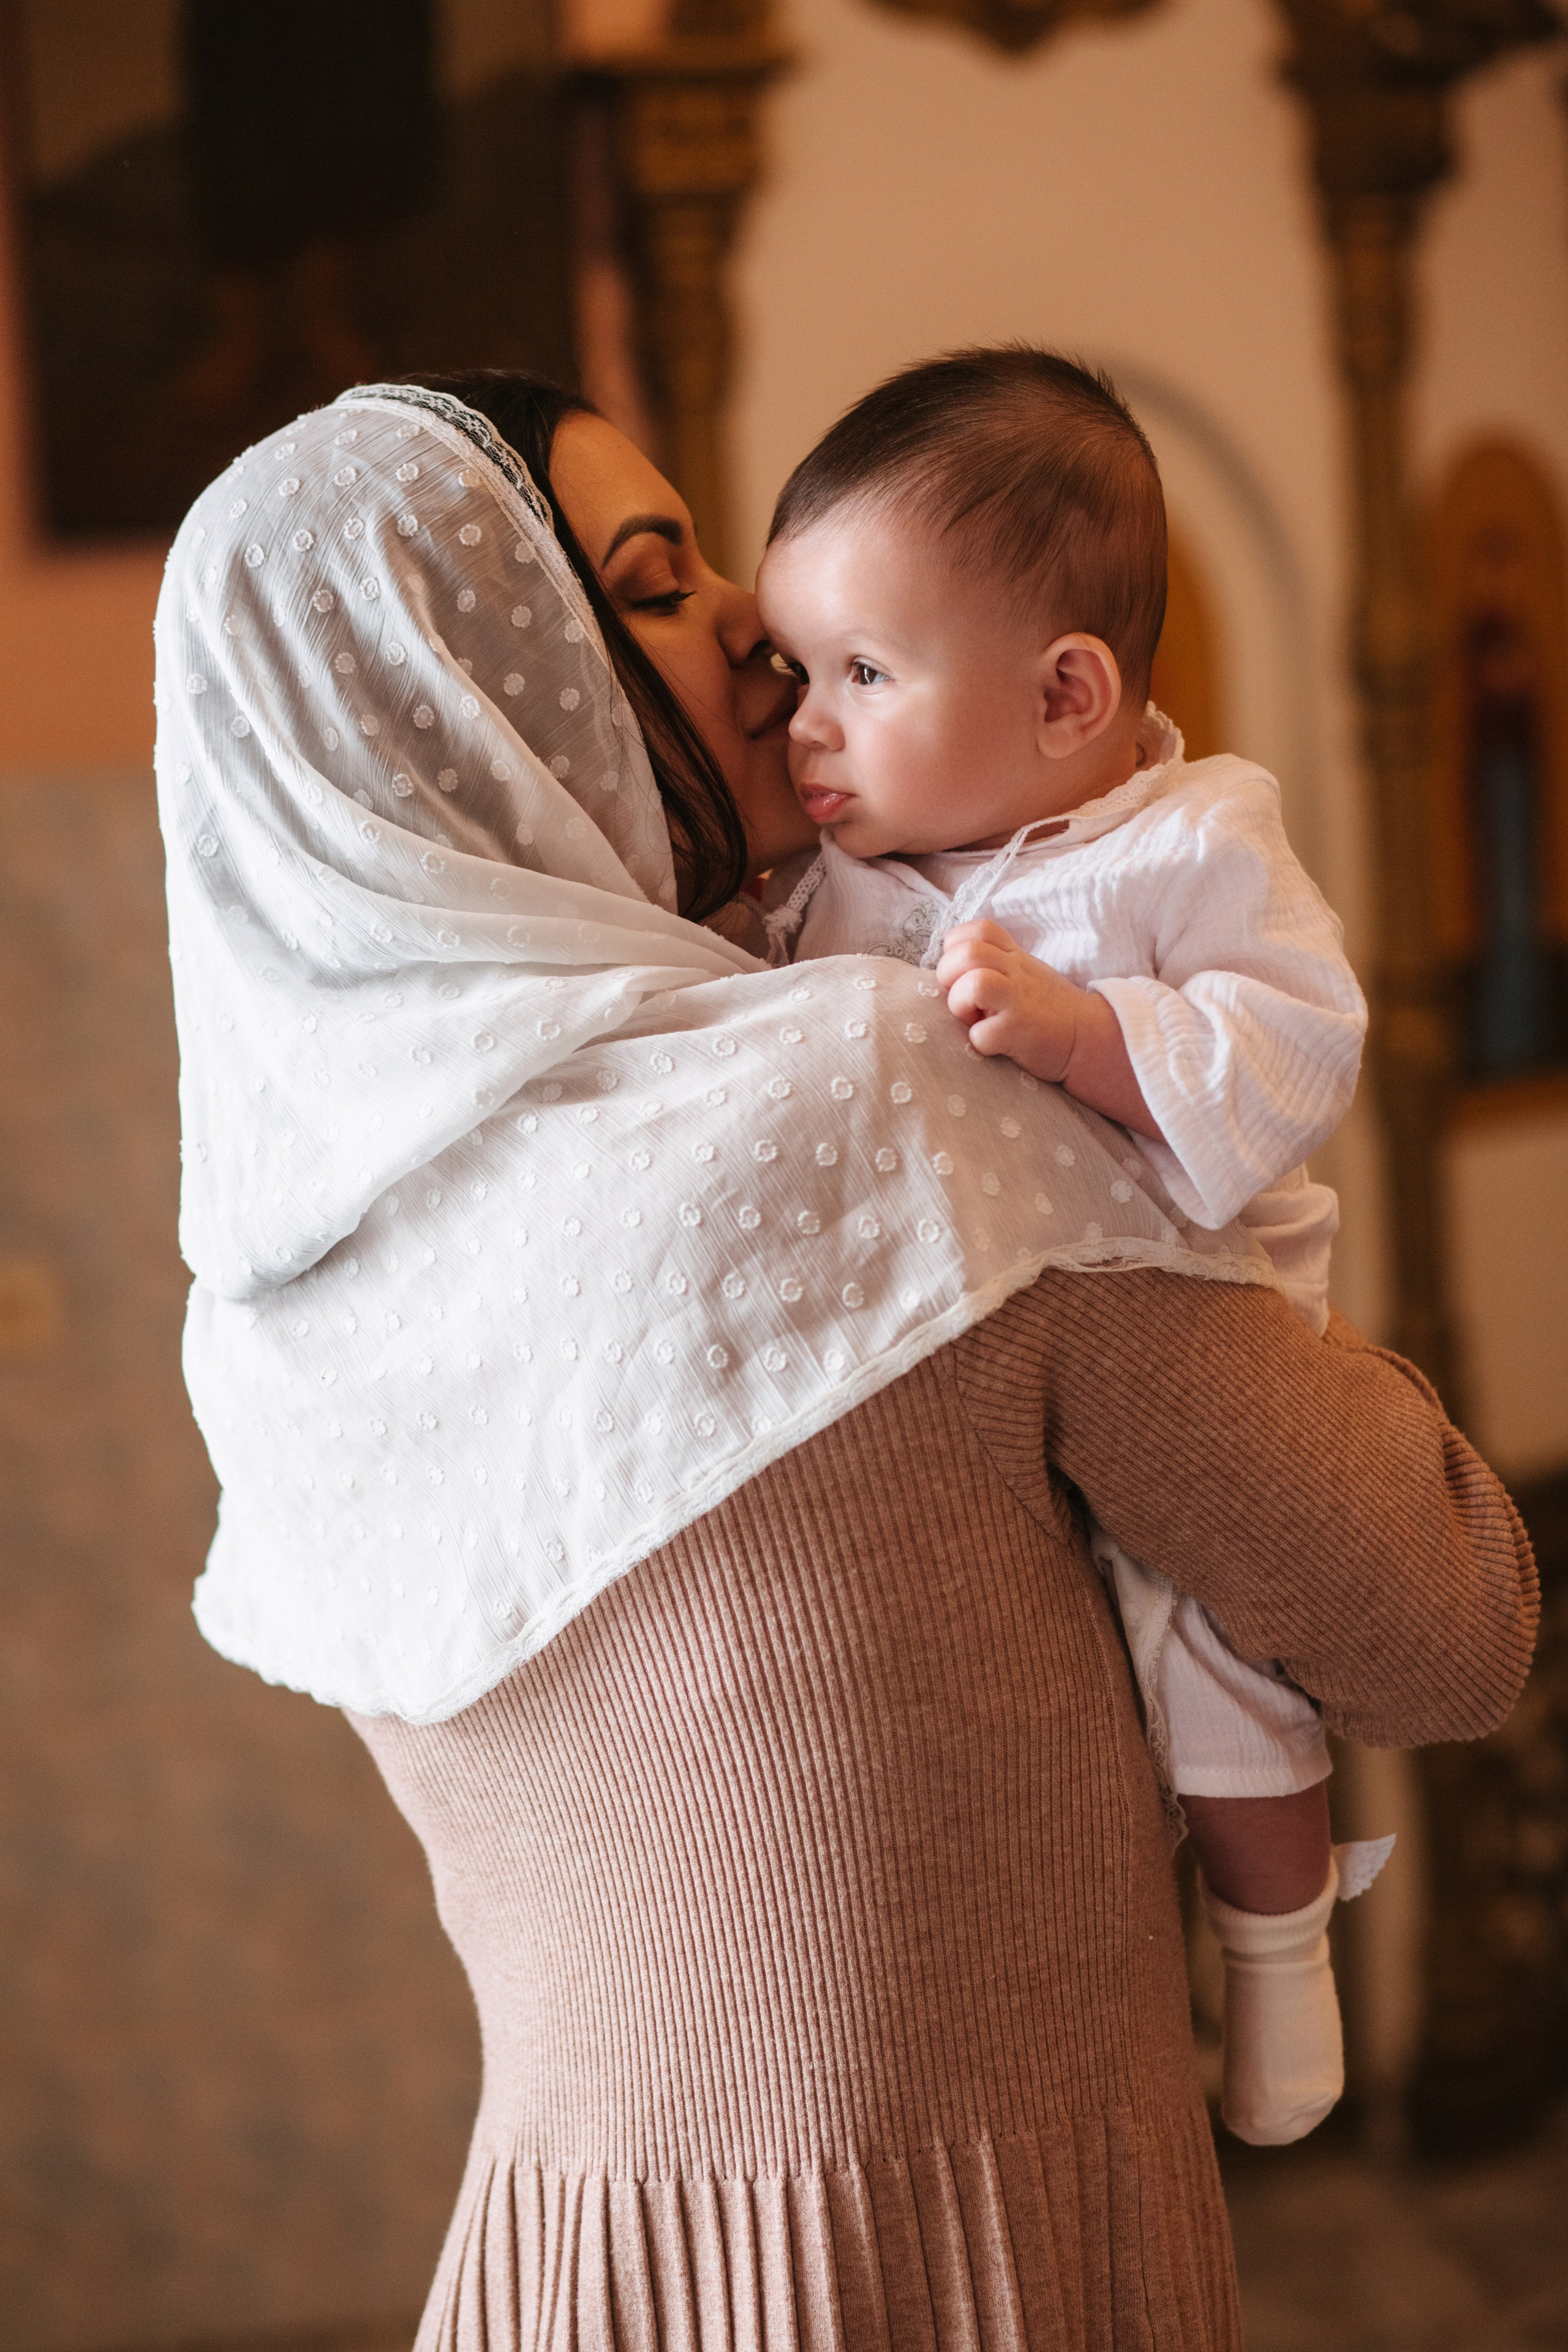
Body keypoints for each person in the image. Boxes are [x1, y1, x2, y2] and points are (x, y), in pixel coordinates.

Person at [155, 372, 1536, 2352]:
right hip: (941, 2267)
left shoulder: (290, 1283)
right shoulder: (876, 1094)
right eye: (648, 580)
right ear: (474, 698)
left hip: (564, 2270)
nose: (747, 621)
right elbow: (1446, 1623)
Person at [754, 345, 1382, 2149]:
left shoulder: (1190, 844)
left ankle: (1281, 1954)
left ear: (1067, 693)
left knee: (1220, 1665)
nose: (809, 722)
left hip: (1203, 1319)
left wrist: (1095, 1035)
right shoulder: (839, 885)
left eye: (862, 674)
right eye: (798, 672)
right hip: (963, 1392)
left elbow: (1301, 1038)